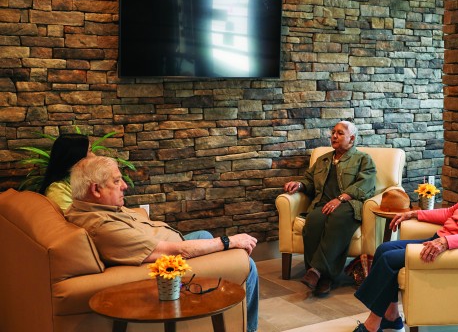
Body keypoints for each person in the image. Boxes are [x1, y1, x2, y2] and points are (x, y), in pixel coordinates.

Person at [66, 156, 260, 332]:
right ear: (95, 189)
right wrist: (229, 241)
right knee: (246, 263)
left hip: (168, 245)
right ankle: (250, 330)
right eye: (117, 181)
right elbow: (179, 252)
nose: (125, 185)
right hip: (171, 260)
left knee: (204, 233)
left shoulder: (94, 207)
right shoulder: (102, 226)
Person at [352, 141, 458, 332]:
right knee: (383, 249)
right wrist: (415, 214)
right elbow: (451, 212)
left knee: (389, 260)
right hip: (436, 239)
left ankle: (372, 325)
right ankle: (391, 316)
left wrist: (447, 242)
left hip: (450, 252)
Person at [283, 120, 376, 297]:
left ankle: (318, 273)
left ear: (352, 138)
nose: (334, 136)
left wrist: (340, 199)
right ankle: (320, 276)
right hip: (322, 204)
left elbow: (366, 184)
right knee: (313, 222)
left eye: (340, 133)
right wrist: (299, 185)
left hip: (349, 205)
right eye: (333, 132)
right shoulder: (323, 159)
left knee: (337, 219)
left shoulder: (363, 159)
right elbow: (309, 181)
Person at [39, 133, 91, 211]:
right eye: (90, 151)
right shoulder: (58, 190)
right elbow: (71, 220)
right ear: (76, 158)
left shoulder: (84, 180)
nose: (94, 156)